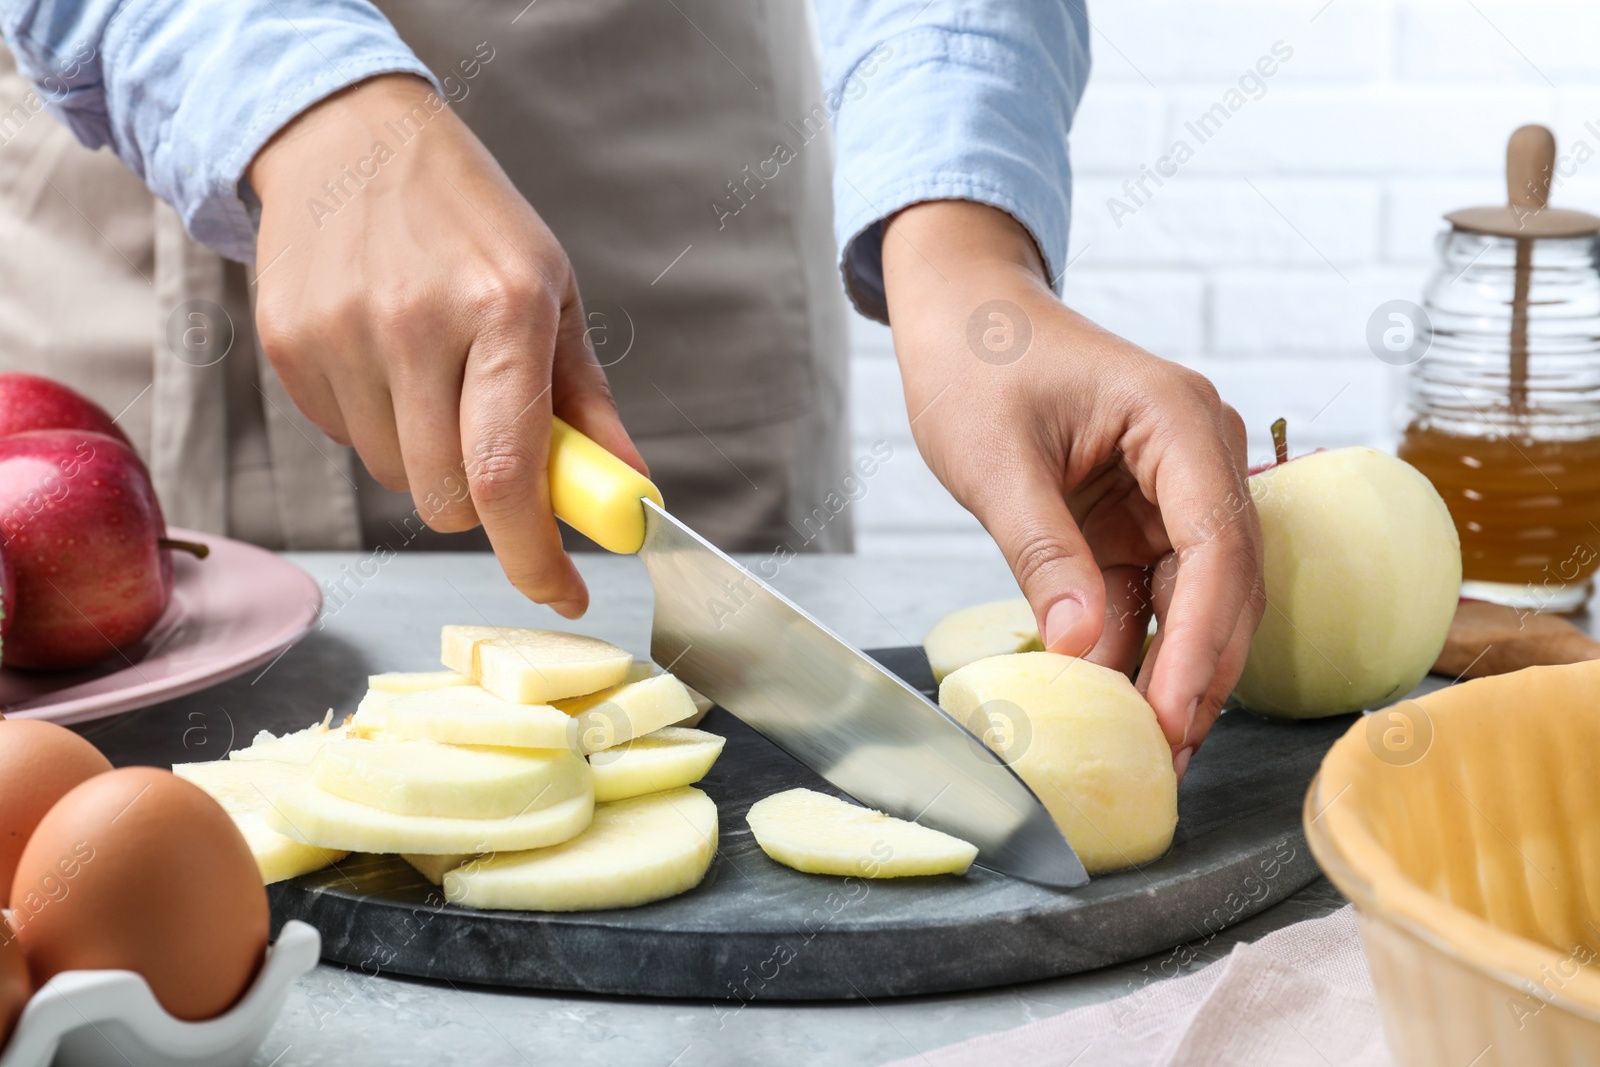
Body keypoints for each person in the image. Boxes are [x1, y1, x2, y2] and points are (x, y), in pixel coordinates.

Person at [0, 0, 1262, 772]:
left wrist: (967, 249)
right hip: (103, 294)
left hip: (653, 244)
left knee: (718, 752)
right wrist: (295, 103)